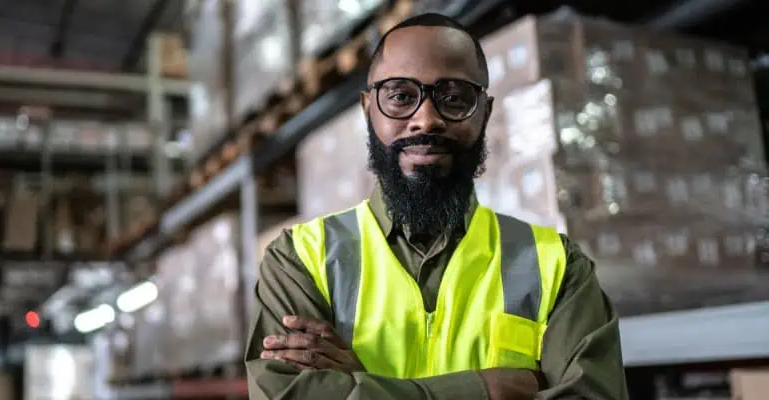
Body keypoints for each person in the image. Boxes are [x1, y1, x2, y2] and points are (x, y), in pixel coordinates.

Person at [245, 12, 627, 400]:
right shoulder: (300, 261)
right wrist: (484, 389)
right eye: (400, 97)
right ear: (367, 109)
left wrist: (362, 388)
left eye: (454, 99)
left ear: (485, 112)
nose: (426, 120)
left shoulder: (557, 268)